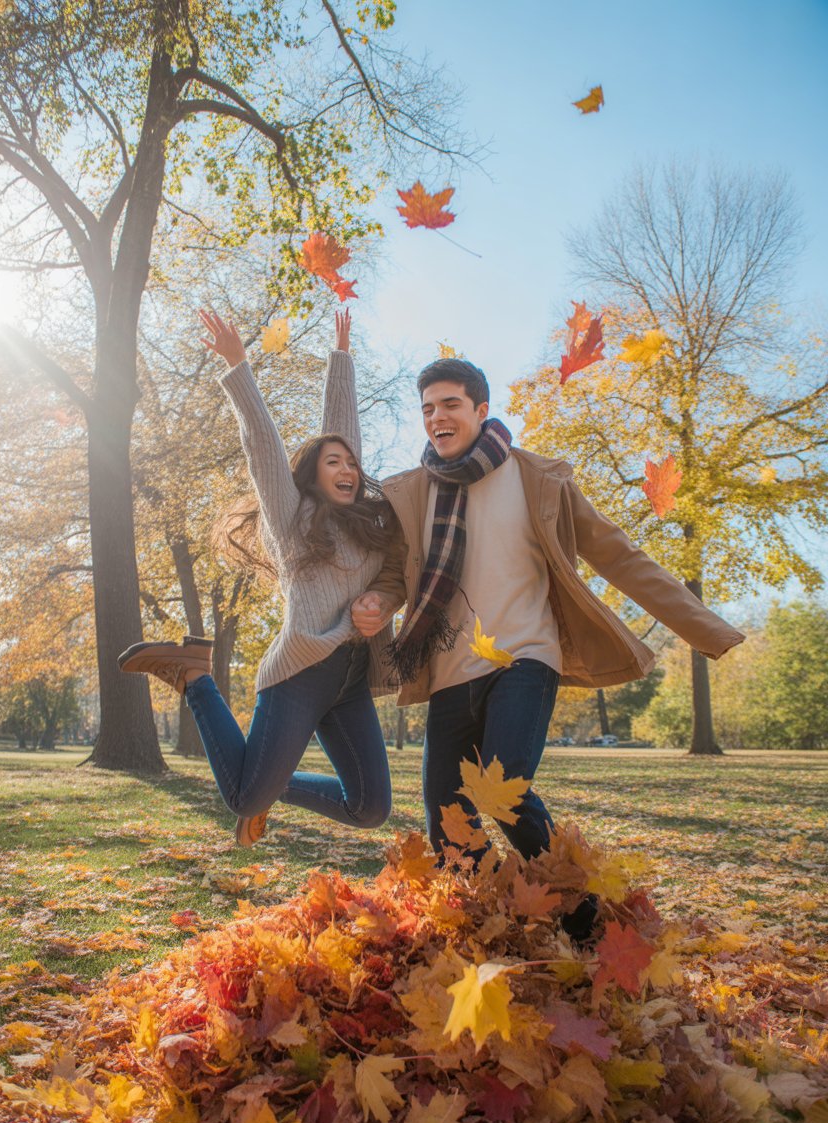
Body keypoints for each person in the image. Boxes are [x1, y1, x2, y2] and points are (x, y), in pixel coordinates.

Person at [351, 356, 745, 870]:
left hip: (525, 656)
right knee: (446, 820)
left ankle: (584, 912)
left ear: (481, 409)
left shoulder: (540, 480)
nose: (436, 417)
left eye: (450, 404)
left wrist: (705, 627)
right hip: (449, 670)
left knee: (504, 790)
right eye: (427, 408)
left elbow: (620, 555)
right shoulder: (414, 492)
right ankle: (497, 915)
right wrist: (379, 602)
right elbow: (397, 573)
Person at [119, 309, 401, 847]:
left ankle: (275, 787)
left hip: (350, 683)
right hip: (300, 675)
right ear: (312, 475)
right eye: (332, 463)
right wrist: (238, 366)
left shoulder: (370, 524)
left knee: (369, 808)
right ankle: (196, 677)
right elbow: (263, 446)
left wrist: (341, 358)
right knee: (244, 797)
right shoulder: (293, 518)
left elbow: (342, 430)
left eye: (351, 464)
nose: (346, 469)